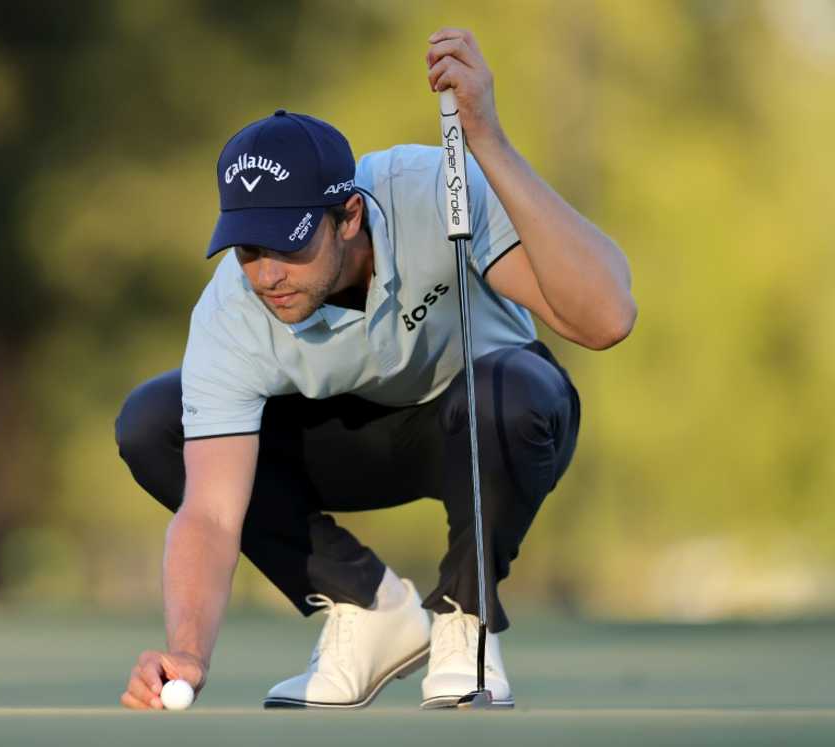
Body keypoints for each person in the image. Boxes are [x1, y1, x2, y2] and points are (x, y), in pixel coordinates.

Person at [115, 27, 636, 711]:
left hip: (486, 425)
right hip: (352, 446)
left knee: (513, 393)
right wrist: (187, 650)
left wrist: (488, 142)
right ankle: (367, 607)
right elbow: (211, 513)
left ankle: (464, 619)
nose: (267, 275)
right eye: (248, 250)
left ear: (349, 216)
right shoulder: (232, 310)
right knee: (155, 422)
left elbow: (605, 318)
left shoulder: (435, 190)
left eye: (288, 246)